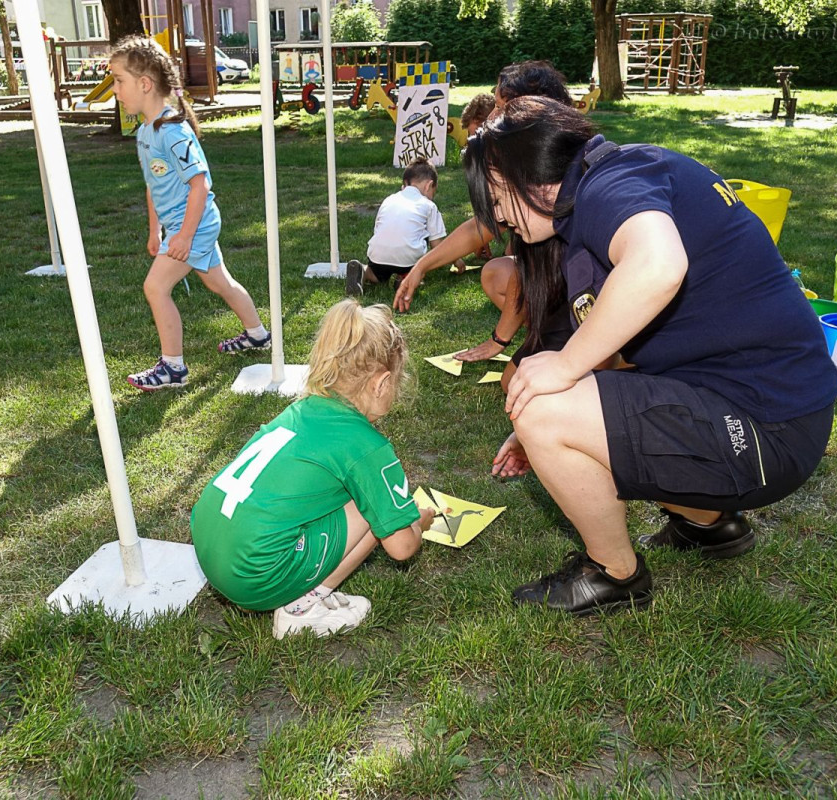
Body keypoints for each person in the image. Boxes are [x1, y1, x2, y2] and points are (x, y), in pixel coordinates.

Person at [465, 96, 837, 614]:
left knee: (540, 403)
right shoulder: (609, 184)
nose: (500, 218)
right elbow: (618, 349)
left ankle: (614, 575)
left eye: (497, 199)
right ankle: (709, 525)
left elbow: (659, 265)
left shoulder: (608, 186)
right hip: (770, 415)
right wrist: (551, 417)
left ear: (520, 173)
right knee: (541, 402)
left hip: (765, 432)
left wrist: (559, 382)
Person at [191, 300, 433, 639]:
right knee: (375, 508)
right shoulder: (367, 446)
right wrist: (418, 524)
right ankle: (300, 609)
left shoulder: (301, 408)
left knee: (353, 495)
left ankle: (280, 580)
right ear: (381, 384)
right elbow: (402, 548)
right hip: (253, 576)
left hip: (211, 549)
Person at [394, 62, 577, 387]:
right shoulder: (529, 167)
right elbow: (481, 228)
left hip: (596, 305)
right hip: (574, 296)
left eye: (500, 106)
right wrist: (421, 266)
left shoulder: (554, 179)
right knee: (496, 272)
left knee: (519, 386)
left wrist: (499, 340)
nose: (492, 116)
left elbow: (530, 270)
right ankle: (551, 337)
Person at [110, 35, 271, 393]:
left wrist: (181, 236)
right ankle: (258, 336)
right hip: (182, 228)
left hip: (195, 227)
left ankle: (173, 369)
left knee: (155, 287)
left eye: (119, 81)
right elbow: (153, 186)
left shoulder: (173, 131)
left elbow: (200, 185)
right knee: (219, 282)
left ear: (145, 84)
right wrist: (156, 232)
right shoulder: (144, 134)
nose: (115, 90)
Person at [346, 159, 463, 297]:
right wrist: (456, 259)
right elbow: (437, 245)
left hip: (378, 256)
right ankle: (406, 278)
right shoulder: (428, 205)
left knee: (376, 275)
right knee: (421, 261)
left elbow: (378, 229)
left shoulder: (388, 200)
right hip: (408, 260)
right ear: (429, 186)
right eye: (433, 192)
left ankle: (363, 272)